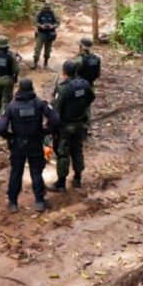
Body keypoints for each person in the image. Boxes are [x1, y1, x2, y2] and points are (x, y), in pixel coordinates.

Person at [0, 79, 60, 213]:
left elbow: (1, 127)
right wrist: (46, 131)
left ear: (19, 88)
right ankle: (39, 201)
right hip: (35, 143)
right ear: (32, 89)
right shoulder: (39, 104)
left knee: (16, 173)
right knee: (36, 172)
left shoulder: (12, 106)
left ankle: (13, 203)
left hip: (18, 144)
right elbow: (55, 119)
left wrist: (9, 136)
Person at [50, 61, 95, 192]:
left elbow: (56, 110)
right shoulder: (85, 85)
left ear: (64, 72)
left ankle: (61, 183)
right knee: (77, 150)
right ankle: (77, 179)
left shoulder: (63, 88)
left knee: (63, 153)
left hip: (66, 126)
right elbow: (91, 99)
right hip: (80, 124)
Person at [0, 35, 19, 123]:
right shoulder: (11, 55)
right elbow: (16, 70)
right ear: (7, 45)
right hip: (7, 79)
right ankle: (4, 117)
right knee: (6, 99)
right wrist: (15, 77)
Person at [75, 37, 101, 133]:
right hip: (90, 85)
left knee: (76, 104)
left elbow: (73, 73)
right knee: (87, 106)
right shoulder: (96, 58)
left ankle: (78, 127)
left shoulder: (78, 59)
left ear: (82, 47)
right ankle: (86, 127)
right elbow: (98, 74)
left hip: (79, 86)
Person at [32, 0, 60, 70]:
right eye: (45, 8)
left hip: (50, 34)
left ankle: (46, 63)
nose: (47, 10)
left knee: (48, 49)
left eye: (48, 8)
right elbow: (34, 21)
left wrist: (52, 26)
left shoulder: (53, 13)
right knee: (37, 49)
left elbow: (58, 22)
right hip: (41, 33)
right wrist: (40, 26)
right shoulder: (39, 13)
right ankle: (35, 63)